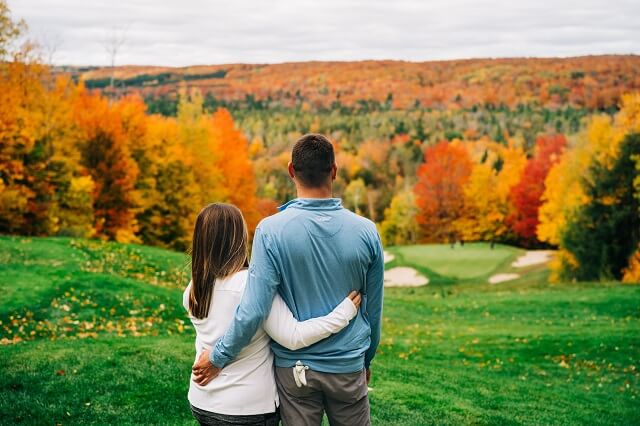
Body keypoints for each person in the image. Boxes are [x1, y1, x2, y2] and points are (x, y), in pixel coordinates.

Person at [192, 134, 385, 426]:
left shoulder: (270, 231)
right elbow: (373, 311)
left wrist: (218, 357)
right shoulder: (367, 231)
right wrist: (365, 360)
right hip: (347, 366)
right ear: (334, 171)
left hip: (295, 371)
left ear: (291, 171)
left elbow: (254, 309)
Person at [185, 203, 362, 426]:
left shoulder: (193, 288)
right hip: (246, 408)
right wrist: (343, 314)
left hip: (203, 401)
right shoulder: (251, 285)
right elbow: (293, 337)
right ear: (239, 238)